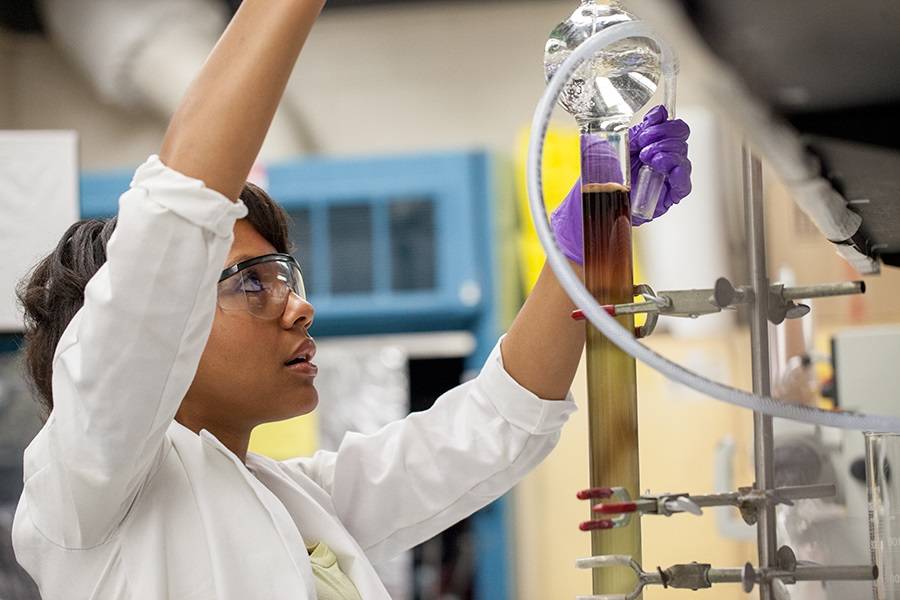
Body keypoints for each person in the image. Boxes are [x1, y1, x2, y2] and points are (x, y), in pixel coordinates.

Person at [11, 1, 692, 598]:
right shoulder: (84, 488)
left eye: (281, 275)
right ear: (154, 329)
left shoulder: (294, 501)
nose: (298, 307)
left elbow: (497, 425)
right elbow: (172, 219)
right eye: (250, 282)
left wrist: (590, 231)